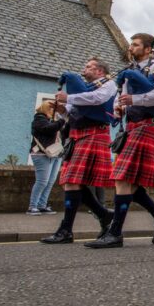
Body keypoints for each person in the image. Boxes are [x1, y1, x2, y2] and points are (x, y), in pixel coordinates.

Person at [86, 33, 154, 249]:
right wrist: (120, 108)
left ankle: (116, 232)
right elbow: (121, 95)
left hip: (146, 125)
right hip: (132, 127)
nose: (131, 47)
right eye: (131, 44)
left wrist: (135, 99)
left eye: (135, 45)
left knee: (123, 179)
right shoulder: (130, 70)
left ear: (147, 49)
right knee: (128, 181)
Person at [41, 58, 116, 243]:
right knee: (71, 181)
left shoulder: (109, 84)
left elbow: (98, 99)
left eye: (89, 67)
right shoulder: (84, 89)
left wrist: (69, 98)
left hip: (94, 134)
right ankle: (102, 214)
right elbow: (74, 113)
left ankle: (66, 230)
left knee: (72, 181)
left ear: (100, 70)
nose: (85, 69)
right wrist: (62, 109)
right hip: (77, 136)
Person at [27, 100, 66, 215]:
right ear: (46, 109)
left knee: (50, 181)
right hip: (41, 154)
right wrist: (62, 120)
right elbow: (48, 129)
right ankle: (32, 206)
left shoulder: (53, 121)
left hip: (56, 153)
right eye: (53, 109)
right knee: (42, 181)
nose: (55, 111)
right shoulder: (39, 119)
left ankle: (42, 205)